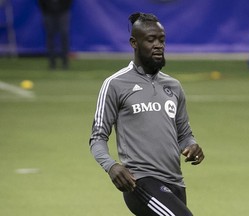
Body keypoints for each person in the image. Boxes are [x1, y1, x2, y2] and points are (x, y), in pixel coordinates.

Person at [89, 12, 205, 216]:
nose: (158, 45)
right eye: (151, 40)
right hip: (140, 182)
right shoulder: (115, 84)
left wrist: (191, 146)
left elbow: (184, 134)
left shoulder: (173, 86)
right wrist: (111, 166)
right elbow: (97, 137)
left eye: (161, 39)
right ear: (134, 43)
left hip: (175, 182)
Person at [38, 0, 73, 70]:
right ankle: (52, 62)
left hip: (63, 11)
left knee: (64, 36)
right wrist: (47, 9)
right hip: (48, 12)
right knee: (50, 36)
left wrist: (62, 7)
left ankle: (65, 61)